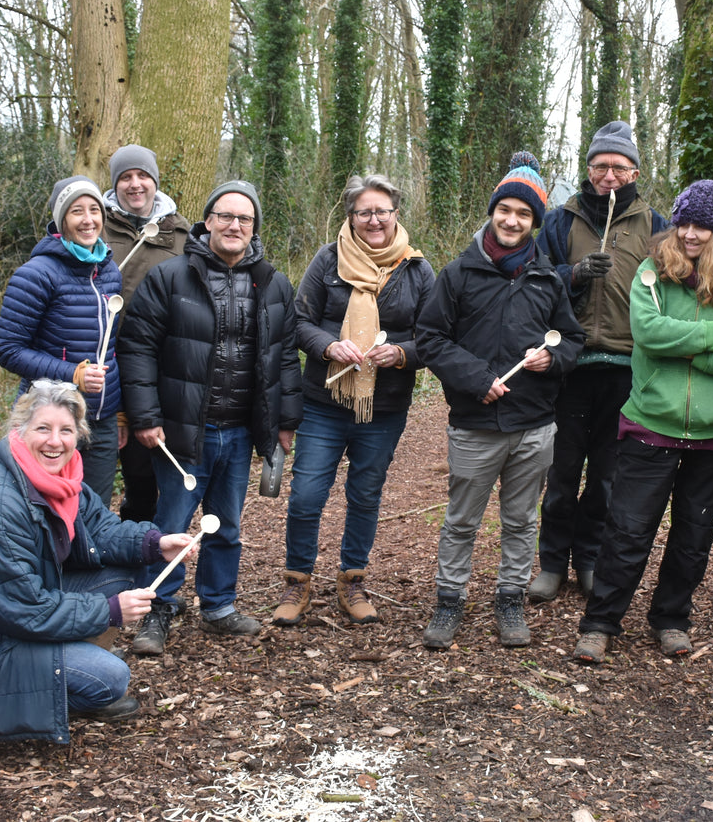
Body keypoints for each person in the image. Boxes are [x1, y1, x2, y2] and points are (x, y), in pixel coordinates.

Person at [0, 381, 201, 752]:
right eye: (43, 428)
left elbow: (100, 529)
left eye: (66, 430)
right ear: (19, 431)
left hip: (4, 618)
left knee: (129, 570)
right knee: (110, 679)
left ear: (79, 435)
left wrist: (155, 544)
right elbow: (23, 609)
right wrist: (108, 611)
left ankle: (60, 670)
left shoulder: (60, 478)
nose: (55, 441)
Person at [572, 180, 713, 665]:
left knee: (693, 535)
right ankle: (600, 623)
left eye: (702, 226)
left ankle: (671, 618)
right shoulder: (652, 270)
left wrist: (685, 349)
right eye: (684, 223)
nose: (689, 234)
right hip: (652, 422)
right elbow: (647, 332)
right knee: (628, 530)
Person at [118, 179, 302, 653]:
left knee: (227, 525)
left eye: (244, 218)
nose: (234, 225)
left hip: (239, 430)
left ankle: (219, 606)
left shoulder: (274, 283)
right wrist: (145, 416)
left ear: (254, 227)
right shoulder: (169, 277)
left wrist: (285, 421)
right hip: (181, 431)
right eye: (225, 216)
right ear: (208, 222)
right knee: (171, 524)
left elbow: (284, 356)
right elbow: (137, 347)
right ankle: (158, 608)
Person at [416, 152, 584, 649]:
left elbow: (572, 340)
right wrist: (476, 378)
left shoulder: (548, 279)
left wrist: (551, 359)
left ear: (535, 222)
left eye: (524, 214)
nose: (512, 221)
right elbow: (430, 338)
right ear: (493, 212)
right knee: (461, 520)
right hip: (474, 424)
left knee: (522, 520)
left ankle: (510, 599)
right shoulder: (458, 274)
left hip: (534, 426)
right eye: (505, 210)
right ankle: (449, 600)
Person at [274, 174, 435, 626]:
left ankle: (353, 580)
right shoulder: (328, 260)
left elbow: (435, 337)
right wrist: (328, 345)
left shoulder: (417, 270)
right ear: (351, 215)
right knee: (306, 495)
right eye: (365, 211)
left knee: (365, 494)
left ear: (396, 213)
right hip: (323, 403)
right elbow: (298, 322)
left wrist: (401, 354)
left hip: (384, 408)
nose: (374, 220)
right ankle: (297, 580)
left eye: (382, 211)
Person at [533, 121, 668, 602]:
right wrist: (572, 274)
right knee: (562, 470)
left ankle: (589, 558)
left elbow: (672, 290)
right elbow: (535, 279)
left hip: (627, 367)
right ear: (588, 169)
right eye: (600, 166)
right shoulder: (559, 221)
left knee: (607, 476)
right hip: (570, 365)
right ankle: (552, 561)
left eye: (619, 167)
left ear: (635, 173)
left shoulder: (656, 226)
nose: (609, 175)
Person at [0, 176, 124, 505]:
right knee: (45, 511)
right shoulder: (36, 274)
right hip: (49, 419)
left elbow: (111, 348)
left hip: (101, 420)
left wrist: (120, 411)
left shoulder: (109, 272)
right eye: (76, 211)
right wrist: (73, 374)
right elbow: (8, 350)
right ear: (61, 220)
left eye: (94, 210)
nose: (88, 219)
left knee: (93, 511)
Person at [101, 144, 193, 524]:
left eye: (142, 176)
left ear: (155, 181)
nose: (135, 184)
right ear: (115, 184)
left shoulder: (182, 233)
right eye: (126, 177)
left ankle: (153, 540)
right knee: (115, 468)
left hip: (163, 367)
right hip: (106, 366)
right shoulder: (96, 226)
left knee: (155, 466)